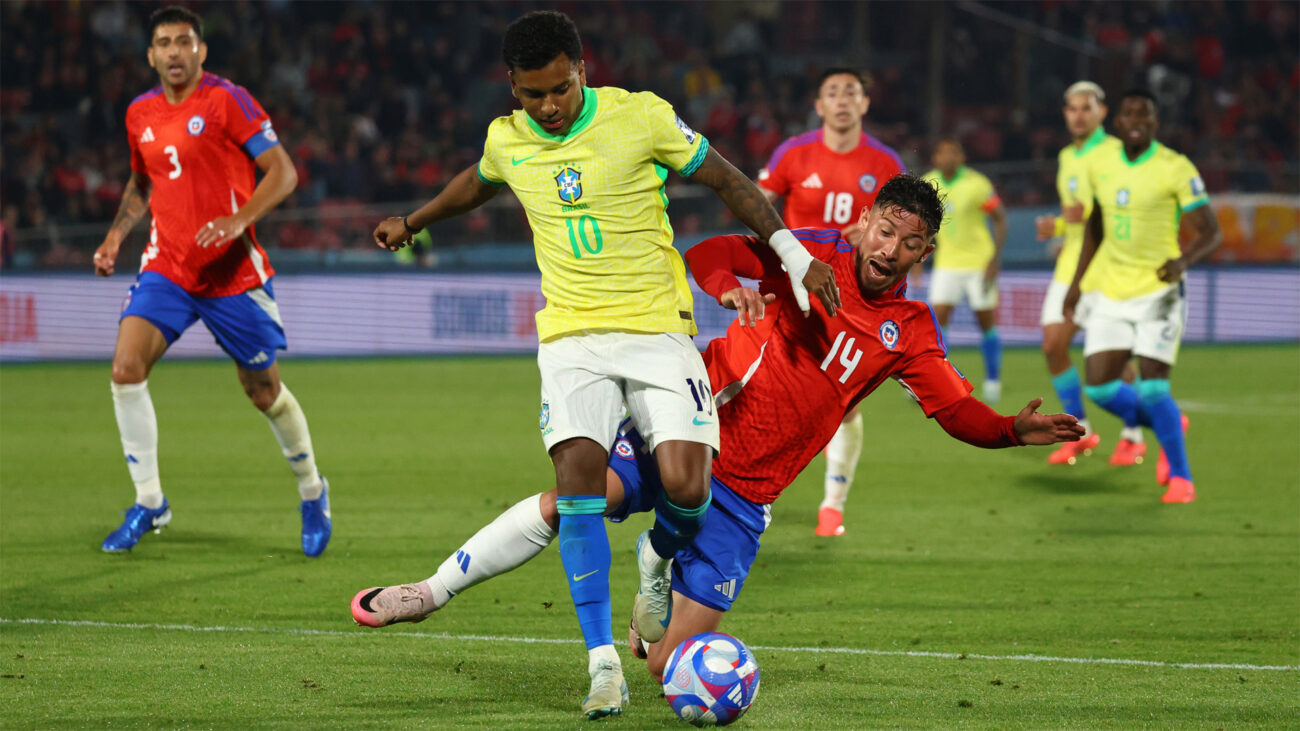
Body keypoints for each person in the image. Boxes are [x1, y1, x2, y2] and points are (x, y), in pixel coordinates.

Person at [351, 175, 1083, 686]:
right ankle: (431, 589)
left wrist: (1012, 430)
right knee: (575, 496)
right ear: (865, 222)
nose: (889, 248)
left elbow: (956, 411)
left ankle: (657, 564)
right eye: (885, 229)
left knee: (668, 669)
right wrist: (729, 288)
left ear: (924, 254)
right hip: (689, 426)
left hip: (748, 498)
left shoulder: (910, 331)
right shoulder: (807, 249)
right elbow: (713, 252)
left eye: (908, 242)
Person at [369, 10, 838, 720]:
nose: (549, 106)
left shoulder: (641, 117)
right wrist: (415, 220)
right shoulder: (509, 138)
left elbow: (729, 181)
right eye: (534, 95)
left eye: (560, 88)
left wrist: (795, 255)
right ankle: (602, 666)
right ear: (514, 89)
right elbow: (480, 179)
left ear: (581, 69)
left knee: (688, 490)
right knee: (578, 485)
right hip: (571, 338)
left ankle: (656, 557)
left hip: (657, 329)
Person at [93, 7, 330, 557]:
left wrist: (239, 220)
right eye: (163, 43)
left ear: (201, 50)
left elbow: (283, 171)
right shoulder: (139, 113)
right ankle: (150, 502)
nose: (174, 52)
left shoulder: (228, 100)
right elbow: (140, 181)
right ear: (150, 55)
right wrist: (113, 238)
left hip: (230, 273)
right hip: (168, 266)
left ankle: (313, 492)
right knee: (126, 369)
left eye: (184, 41)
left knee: (263, 392)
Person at [756, 67, 906, 538]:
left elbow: (902, 235)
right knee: (767, 391)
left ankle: (833, 505)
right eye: (832, 93)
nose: (842, 100)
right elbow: (758, 204)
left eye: (852, 93)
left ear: (864, 104)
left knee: (845, 402)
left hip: (850, 298)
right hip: (792, 290)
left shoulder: (884, 163)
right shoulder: (794, 154)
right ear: (819, 106)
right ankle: (751, 491)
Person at [1064, 90, 1221, 504]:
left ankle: (1181, 479)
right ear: (1117, 121)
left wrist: (1182, 262)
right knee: (1098, 388)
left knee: (1153, 389)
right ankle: (1170, 423)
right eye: (1129, 112)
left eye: (1145, 114)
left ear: (1155, 122)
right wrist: (1077, 282)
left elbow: (1211, 231)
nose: (1136, 120)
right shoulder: (1102, 164)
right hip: (1112, 290)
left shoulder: (1175, 167)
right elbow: (1094, 227)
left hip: (1159, 292)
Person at [1034, 81, 1128, 466]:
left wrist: (1084, 217)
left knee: (1111, 354)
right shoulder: (1066, 157)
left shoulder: (1116, 153)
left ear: (1102, 112)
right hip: (1070, 264)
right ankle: (1082, 430)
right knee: (1053, 346)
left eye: (1086, 108)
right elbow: (1075, 218)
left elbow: (1119, 209)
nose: (1078, 114)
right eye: (1072, 108)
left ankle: (1136, 434)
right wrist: (1055, 227)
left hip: (1105, 266)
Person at [922, 139, 1008, 403]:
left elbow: (1000, 218)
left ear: (962, 157)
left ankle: (993, 380)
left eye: (954, 152)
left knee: (985, 321)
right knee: (937, 323)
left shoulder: (977, 184)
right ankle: (938, 379)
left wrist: (994, 260)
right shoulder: (927, 184)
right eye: (943, 152)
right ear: (935, 157)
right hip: (946, 263)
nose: (949, 157)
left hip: (978, 264)